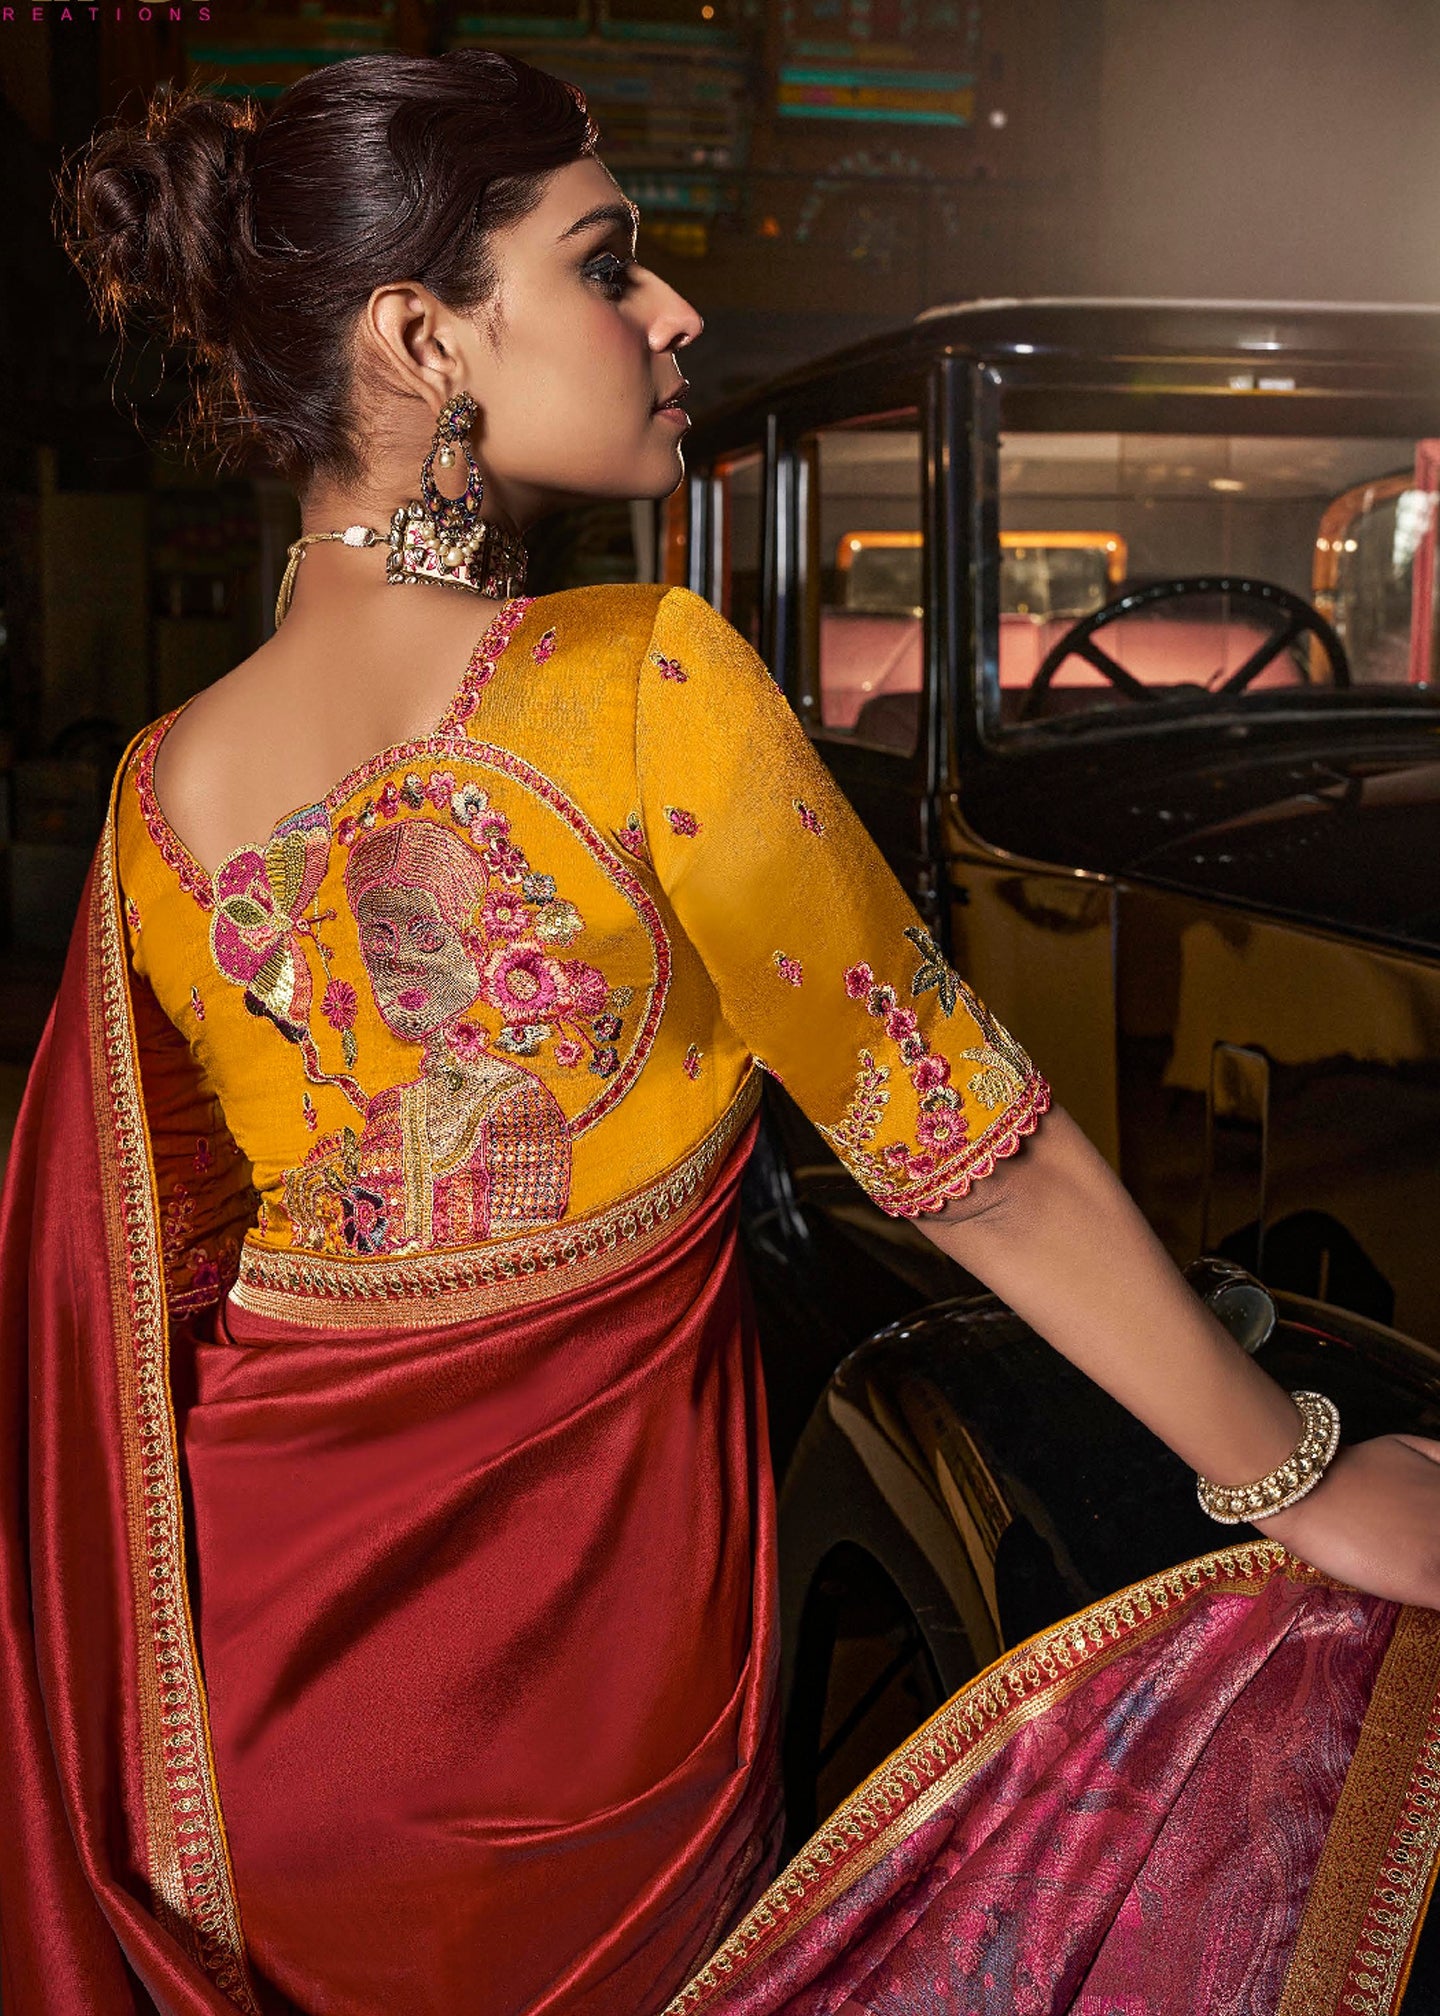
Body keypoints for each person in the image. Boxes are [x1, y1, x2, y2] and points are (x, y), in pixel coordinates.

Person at [2, 47, 1437, 2016]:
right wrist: (1290, 1469)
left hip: (244, 1726)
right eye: (607, 264)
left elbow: (142, 1317)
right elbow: (969, 1159)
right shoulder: (647, 681)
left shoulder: (160, 785)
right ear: (426, 334)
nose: (674, 312)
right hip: (568, 1725)